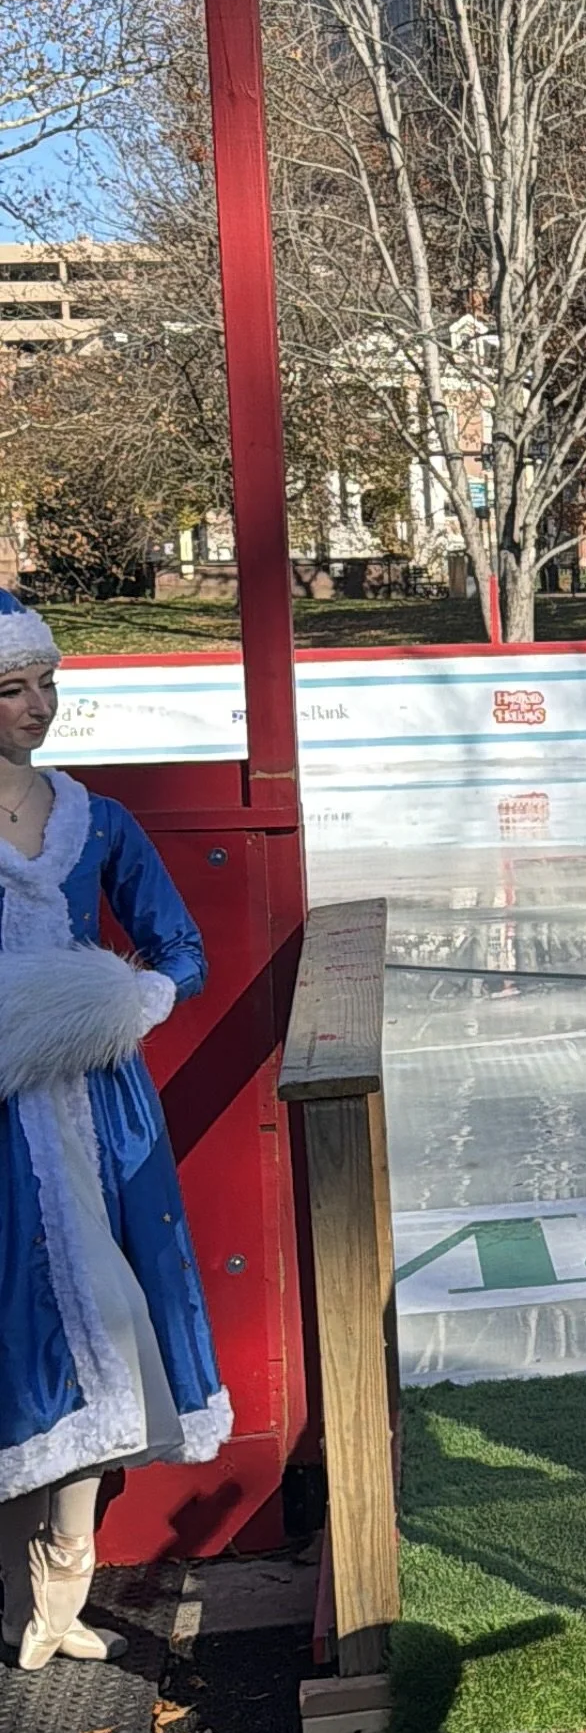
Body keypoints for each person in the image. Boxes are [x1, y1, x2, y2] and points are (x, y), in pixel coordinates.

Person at [0, 592, 230, 1670]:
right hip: (5, 1126)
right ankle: (22, 1595)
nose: (38, 707)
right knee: (17, 1338)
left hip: (97, 1113)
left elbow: (180, 950)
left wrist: (121, 1004)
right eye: (13, 689)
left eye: (47, 683)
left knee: (108, 1320)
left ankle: (62, 1588)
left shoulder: (98, 821)